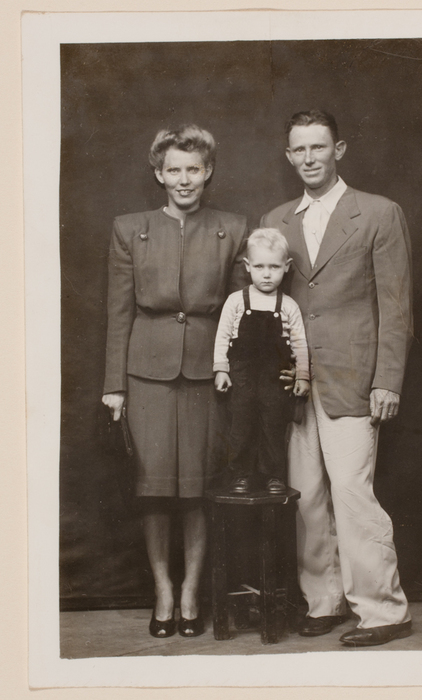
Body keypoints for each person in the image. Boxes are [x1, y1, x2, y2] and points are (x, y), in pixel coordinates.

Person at [261, 110, 414, 647]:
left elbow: (396, 307)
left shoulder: (379, 213)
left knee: (351, 493)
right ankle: (323, 602)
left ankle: (384, 611)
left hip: (354, 377)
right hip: (295, 382)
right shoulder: (276, 219)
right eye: (299, 150)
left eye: (318, 147)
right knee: (305, 497)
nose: (309, 158)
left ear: (339, 150)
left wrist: (387, 379)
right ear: (289, 156)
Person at [102, 125, 248, 639]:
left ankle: (191, 593)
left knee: (197, 488)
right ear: (158, 174)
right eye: (173, 170)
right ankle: (163, 590)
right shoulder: (130, 228)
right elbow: (119, 312)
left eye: (193, 169)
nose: (184, 179)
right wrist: (114, 385)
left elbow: (240, 312)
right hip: (146, 374)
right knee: (155, 489)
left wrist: (236, 375)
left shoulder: (232, 227)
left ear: (208, 172)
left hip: (210, 373)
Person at [213, 228, 310, 495]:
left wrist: (303, 375)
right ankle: (240, 475)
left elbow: (300, 344)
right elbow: (222, 337)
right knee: (240, 427)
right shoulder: (236, 301)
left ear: (286, 267)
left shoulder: (288, 305)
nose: (266, 274)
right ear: (248, 266)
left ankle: (273, 476)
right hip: (242, 377)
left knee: (273, 426)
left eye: (274, 267)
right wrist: (221, 369)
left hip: (274, 380)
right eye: (259, 266)